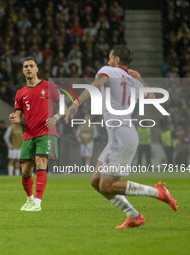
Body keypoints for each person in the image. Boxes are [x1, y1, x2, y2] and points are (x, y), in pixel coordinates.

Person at [65, 45, 178, 228]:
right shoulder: (134, 80)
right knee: (96, 182)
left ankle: (157, 192)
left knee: (108, 185)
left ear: (116, 60)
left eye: (110, 58)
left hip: (122, 135)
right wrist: (141, 79)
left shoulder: (108, 70)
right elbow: (153, 97)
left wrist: (75, 104)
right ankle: (133, 216)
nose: (108, 61)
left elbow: (96, 86)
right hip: (119, 135)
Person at [9, 57, 62, 211]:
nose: (29, 69)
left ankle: (38, 203)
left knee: (40, 163)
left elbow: (64, 106)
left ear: (37, 69)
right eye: (26, 66)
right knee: (25, 172)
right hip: (29, 134)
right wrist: (13, 118)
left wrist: (55, 118)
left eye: (32, 66)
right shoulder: (20, 93)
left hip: (47, 132)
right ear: (23, 70)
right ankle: (30, 199)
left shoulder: (49, 86)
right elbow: (18, 118)